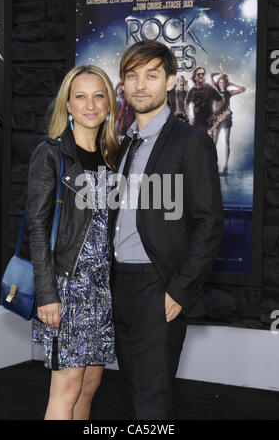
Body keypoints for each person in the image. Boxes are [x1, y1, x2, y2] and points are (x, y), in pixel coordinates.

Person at [110, 40, 224, 420]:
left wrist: (179, 289)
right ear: (123, 84)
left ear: (171, 81)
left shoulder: (190, 142)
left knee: (152, 401)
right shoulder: (124, 143)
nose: (140, 85)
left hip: (158, 286)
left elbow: (209, 222)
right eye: (132, 76)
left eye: (152, 75)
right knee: (131, 393)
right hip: (120, 283)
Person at [26, 65, 119, 420]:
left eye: (99, 96)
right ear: (67, 104)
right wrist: (47, 293)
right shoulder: (51, 154)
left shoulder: (114, 157)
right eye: (80, 96)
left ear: (110, 104)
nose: (90, 104)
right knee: (66, 387)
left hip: (103, 290)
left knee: (89, 386)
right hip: (67, 287)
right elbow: (36, 227)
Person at [208, 72, 246, 175]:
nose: (222, 85)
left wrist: (231, 83)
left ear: (226, 84)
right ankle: (212, 165)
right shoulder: (215, 90)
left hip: (226, 118)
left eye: (224, 83)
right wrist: (219, 74)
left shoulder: (229, 93)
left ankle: (225, 166)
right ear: (218, 83)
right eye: (220, 83)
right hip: (216, 119)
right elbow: (211, 75)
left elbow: (243, 89)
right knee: (214, 142)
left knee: (226, 141)